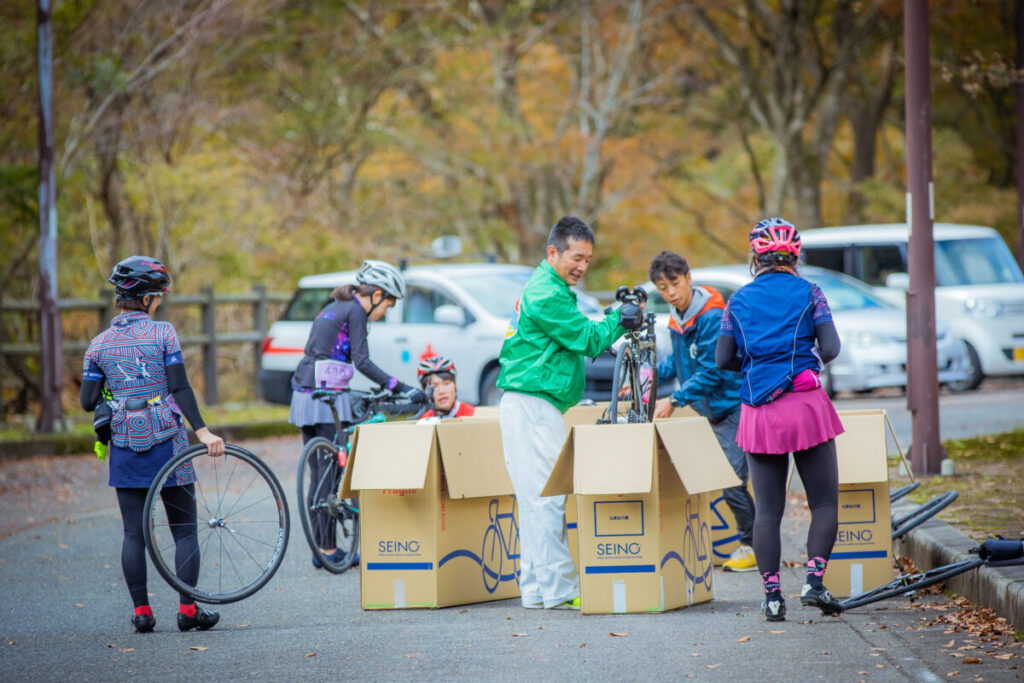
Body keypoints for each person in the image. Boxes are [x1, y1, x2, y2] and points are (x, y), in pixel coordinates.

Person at [497, 216, 642, 610]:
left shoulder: (549, 287)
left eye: (588, 260)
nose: (582, 266)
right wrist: (620, 318)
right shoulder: (548, 294)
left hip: (530, 404)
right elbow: (588, 339)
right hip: (533, 405)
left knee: (534, 500)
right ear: (553, 252)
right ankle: (560, 590)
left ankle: (536, 590)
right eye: (576, 258)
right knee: (547, 499)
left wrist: (614, 315)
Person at [80, 256, 225, 634]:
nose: (159, 302)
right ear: (145, 299)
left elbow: (86, 401)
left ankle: (142, 612)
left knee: (133, 533)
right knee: (184, 530)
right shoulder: (164, 334)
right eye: (158, 296)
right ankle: (188, 610)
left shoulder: (98, 345)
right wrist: (202, 431)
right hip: (169, 444)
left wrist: (116, 392)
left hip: (125, 443)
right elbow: (180, 387)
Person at [715, 218, 846, 622]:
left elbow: (723, 359)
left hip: (759, 411)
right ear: (795, 257)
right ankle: (814, 582)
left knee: (768, 513)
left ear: (755, 258)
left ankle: (773, 597)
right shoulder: (811, 292)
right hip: (804, 405)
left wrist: (757, 367)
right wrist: (803, 366)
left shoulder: (737, 300)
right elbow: (831, 347)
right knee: (823, 503)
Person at [289, 259, 426, 568]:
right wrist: (400, 386)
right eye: (387, 305)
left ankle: (322, 549)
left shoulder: (335, 306)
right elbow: (362, 361)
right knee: (329, 474)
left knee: (318, 471)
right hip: (326, 394)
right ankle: (327, 551)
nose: (385, 312)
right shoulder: (355, 312)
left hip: (304, 391)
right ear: (376, 295)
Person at [648, 251, 757, 573]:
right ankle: (751, 543)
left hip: (732, 407)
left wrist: (674, 400)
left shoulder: (710, 316)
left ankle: (753, 547)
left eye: (675, 283)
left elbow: (712, 372)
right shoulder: (678, 318)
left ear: (688, 278)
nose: (671, 292)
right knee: (722, 478)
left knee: (732, 481)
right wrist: (645, 378)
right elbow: (678, 362)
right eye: (663, 288)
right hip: (710, 412)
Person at [417, 350, 475, 419]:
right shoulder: (424, 420)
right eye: (434, 386)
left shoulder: (473, 414)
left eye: (446, 384)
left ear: (455, 385)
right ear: (425, 391)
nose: (442, 391)